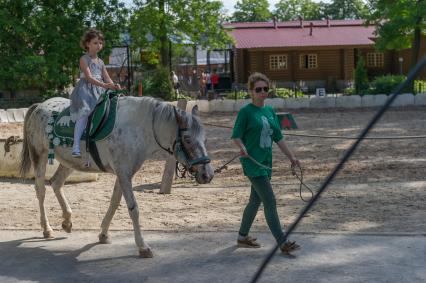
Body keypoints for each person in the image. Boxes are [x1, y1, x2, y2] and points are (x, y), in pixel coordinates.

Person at [231, 72, 301, 255]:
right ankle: (282, 242)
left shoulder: (270, 111)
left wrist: (292, 157)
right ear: (251, 92)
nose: (262, 92)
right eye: (258, 89)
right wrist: (242, 147)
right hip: (252, 164)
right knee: (270, 201)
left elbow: (278, 137)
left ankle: (242, 237)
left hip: (265, 163)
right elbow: (236, 135)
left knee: (255, 201)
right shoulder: (246, 112)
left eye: (265, 89)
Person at [70, 28, 120, 158]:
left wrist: (113, 85)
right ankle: (75, 146)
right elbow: (88, 77)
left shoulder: (101, 62)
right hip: (85, 90)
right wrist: (104, 85)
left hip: (99, 90)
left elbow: (107, 77)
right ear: (87, 44)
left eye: (100, 43)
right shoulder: (84, 59)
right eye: (95, 43)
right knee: (84, 115)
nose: (99, 45)